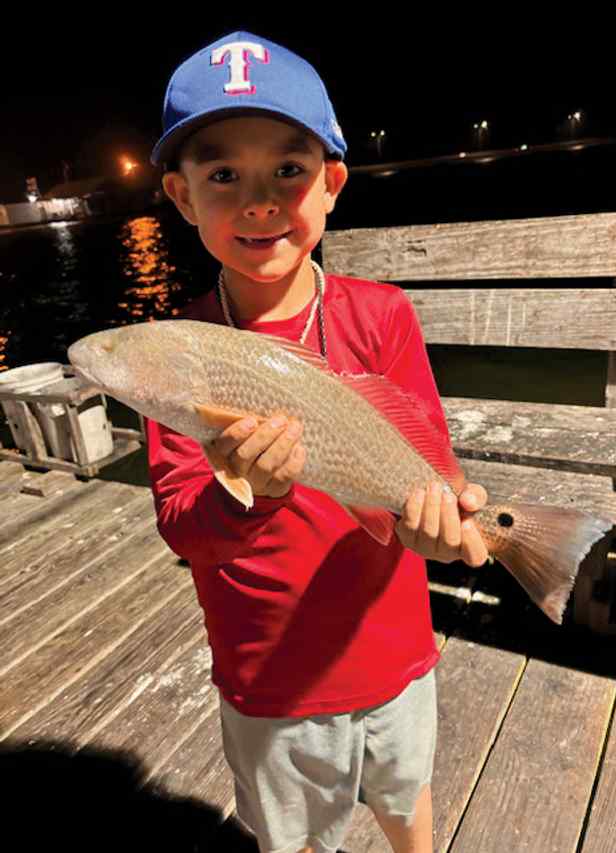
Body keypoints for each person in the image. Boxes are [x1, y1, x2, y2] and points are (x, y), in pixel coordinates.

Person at [146, 30, 489, 853]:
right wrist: (249, 495)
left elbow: (428, 475)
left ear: (332, 185)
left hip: (393, 650)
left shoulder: (383, 316)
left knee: (408, 799)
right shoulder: (176, 354)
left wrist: (439, 524)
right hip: (268, 677)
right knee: (292, 836)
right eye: (223, 174)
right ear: (182, 196)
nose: (259, 200)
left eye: (288, 171)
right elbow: (183, 526)